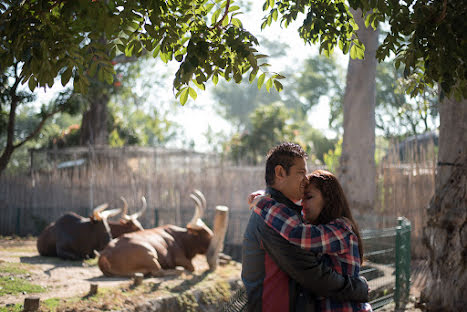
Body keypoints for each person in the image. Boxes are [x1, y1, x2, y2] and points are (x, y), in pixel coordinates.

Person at [241, 142, 369, 312]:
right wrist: (358, 288)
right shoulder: (271, 219)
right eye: (301, 172)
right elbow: (313, 275)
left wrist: (263, 199)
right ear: (280, 172)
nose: (305, 179)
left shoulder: (279, 213)